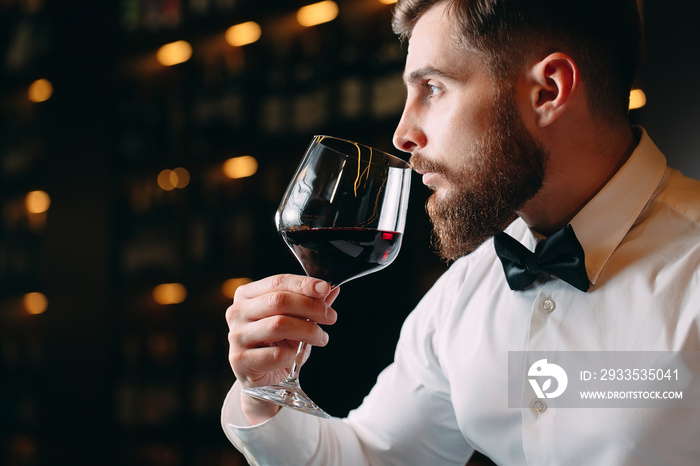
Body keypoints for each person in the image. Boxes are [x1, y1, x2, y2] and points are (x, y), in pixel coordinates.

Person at [222, 0, 700, 464]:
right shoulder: (465, 292)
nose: (402, 133)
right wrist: (265, 393)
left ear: (548, 92)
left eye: (433, 87)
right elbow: (378, 457)